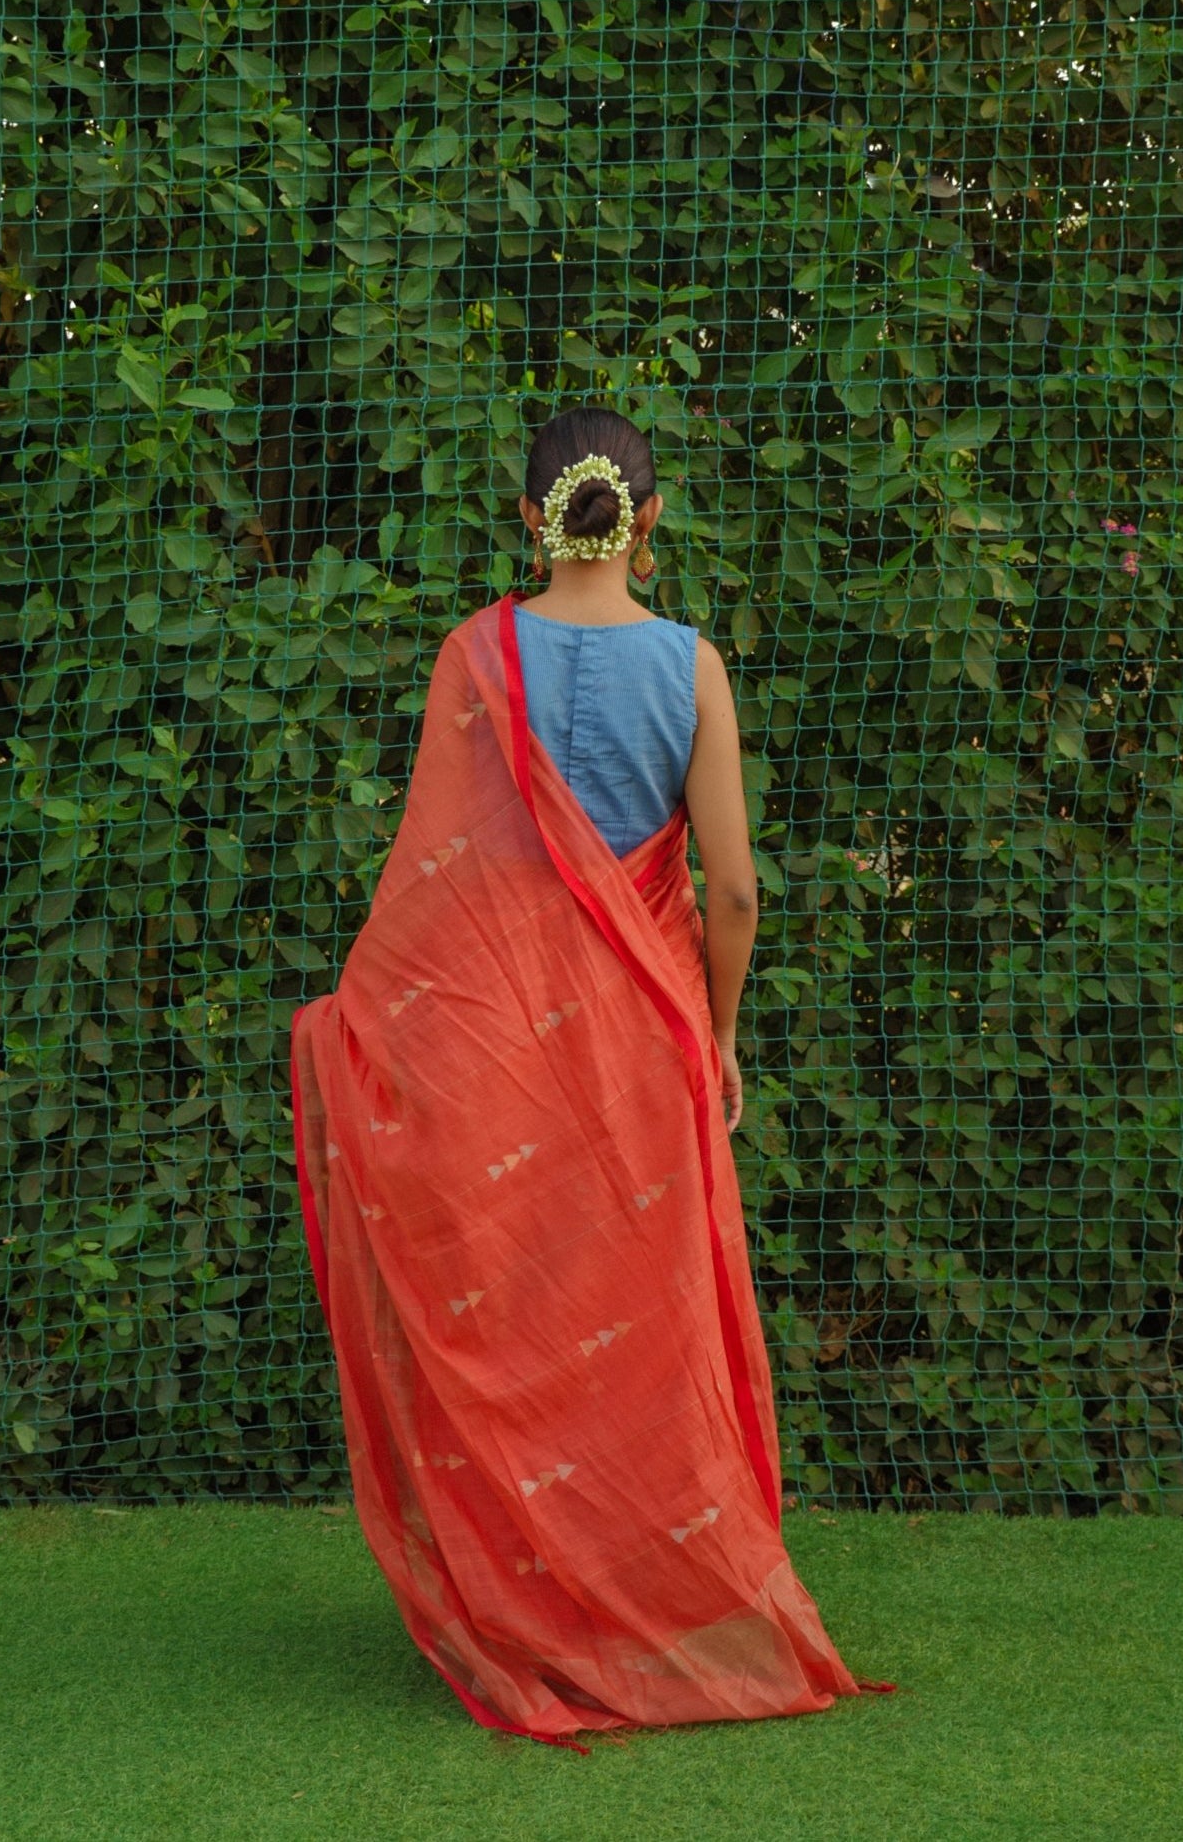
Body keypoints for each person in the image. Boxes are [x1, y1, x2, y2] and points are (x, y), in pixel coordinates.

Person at [290, 404, 891, 1751]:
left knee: (524, 1321)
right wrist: (719, 1033)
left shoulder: (473, 657)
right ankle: (653, 1608)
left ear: (528, 516)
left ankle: (533, 1616)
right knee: (635, 1324)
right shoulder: (692, 666)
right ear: (651, 519)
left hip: (495, 1052)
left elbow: (436, 883)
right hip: (637, 1047)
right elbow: (729, 887)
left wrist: (367, 1024)